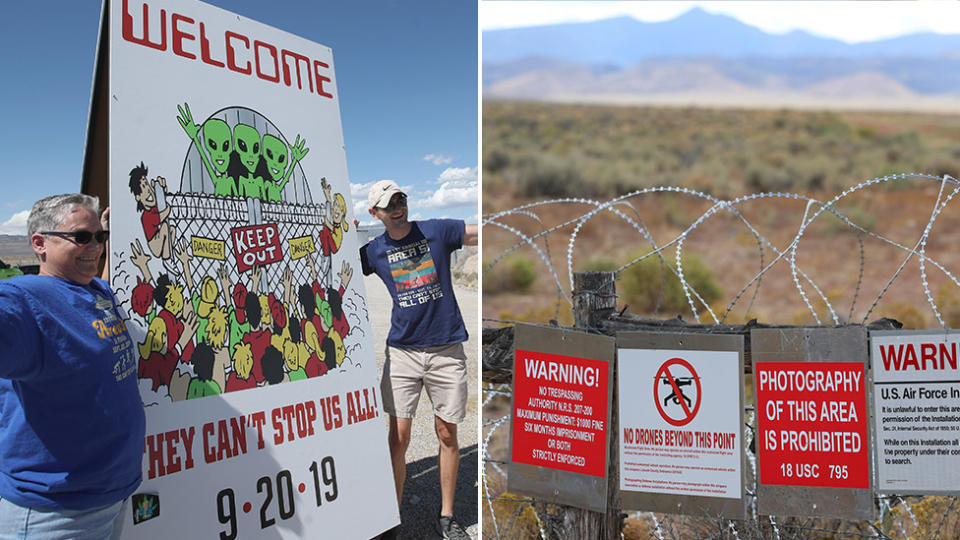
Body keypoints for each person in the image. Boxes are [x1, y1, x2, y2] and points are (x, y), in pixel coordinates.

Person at [0, 194, 145, 538]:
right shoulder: (24, 299)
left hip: (112, 498)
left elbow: (98, 285)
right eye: (81, 237)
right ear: (40, 244)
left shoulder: (94, 290)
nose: (94, 246)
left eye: (100, 237)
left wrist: (105, 235)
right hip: (53, 514)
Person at [360, 180, 477, 540]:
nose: (398, 207)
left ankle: (446, 516)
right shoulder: (374, 251)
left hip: (446, 350)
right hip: (403, 353)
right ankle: (391, 517)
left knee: (446, 433)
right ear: (375, 213)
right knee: (398, 437)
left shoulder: (437, 231)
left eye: (401, 199)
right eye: (389, 204)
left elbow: (478, 233)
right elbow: (334, 264)